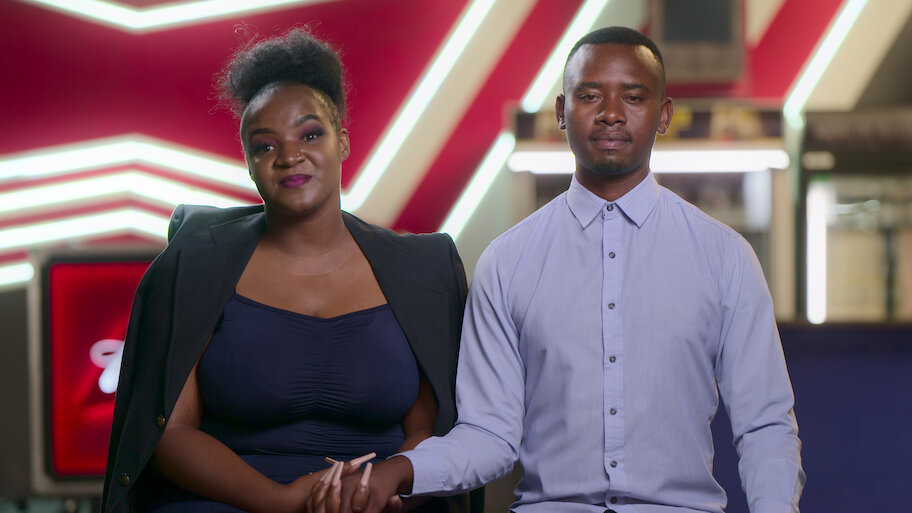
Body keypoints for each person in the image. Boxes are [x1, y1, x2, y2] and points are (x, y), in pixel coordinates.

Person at [335, 26, 805, 513]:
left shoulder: (725, 257)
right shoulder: (506, 262)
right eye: (590, 95)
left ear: (664, 115)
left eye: (633, 97)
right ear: (561, 111)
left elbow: (764, 424)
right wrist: (399, 470)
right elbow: (489, 434)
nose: (611, 113)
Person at [100, 28, 476, 513]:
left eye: (310, 134)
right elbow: (170, 432)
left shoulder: (424, 270)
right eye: (264, 146)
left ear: (342, 141)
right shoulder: (193, 265)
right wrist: (279, 500)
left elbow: (429, 429)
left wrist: (379, 490)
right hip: (231, 502)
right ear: (249, 164)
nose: (289, 156)